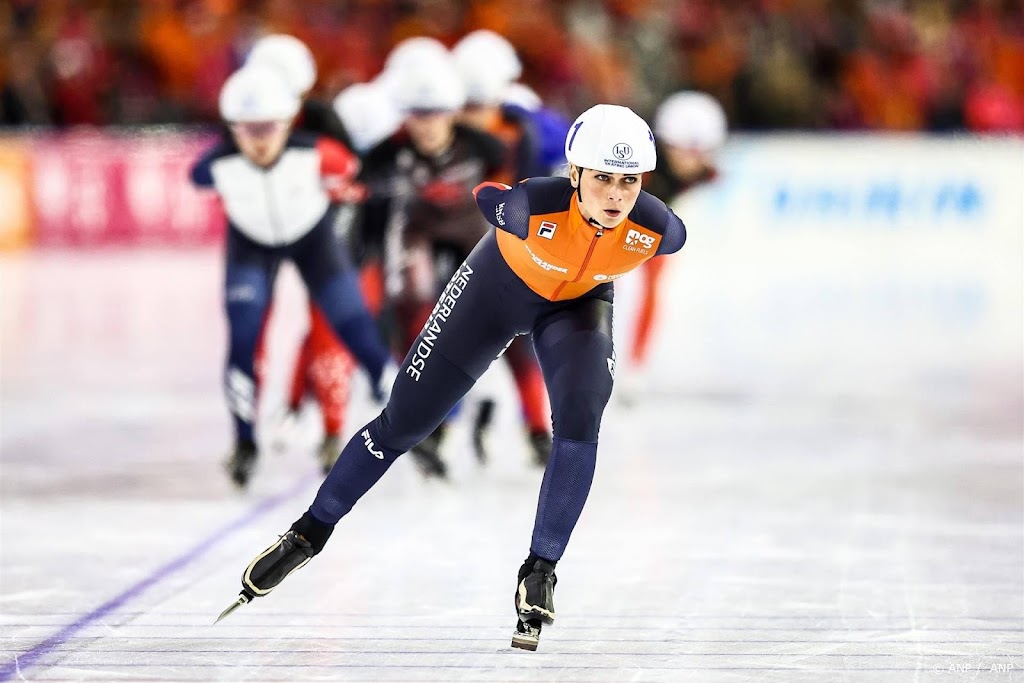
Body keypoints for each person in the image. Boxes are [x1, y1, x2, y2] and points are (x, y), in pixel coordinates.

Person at [216, 104, 687, 651]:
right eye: (602, 178)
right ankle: (309, 532)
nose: (615, 195)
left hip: (575, 309)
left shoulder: (656, 227)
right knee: (404, 423)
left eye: (629, 182)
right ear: (575, 174)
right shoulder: (535, 204)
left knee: (582, 417)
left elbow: (672, 233)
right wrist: (500, 204)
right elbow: (489, 197)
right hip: (491, 295)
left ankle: (540, 570)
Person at [190, 64, 395, 488]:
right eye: (249, 131)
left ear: (287, 124)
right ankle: (245, 442)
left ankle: (401, 412)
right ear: (233, 129)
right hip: (251, 247)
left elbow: (354, 180)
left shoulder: (320, 153)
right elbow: (197, 177)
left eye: (269, 129)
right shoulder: (215, 165)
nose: (260, 141)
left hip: (313, 242)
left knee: (355, 327)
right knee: (244, 336)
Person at [355, 44, 510, 478]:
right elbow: (369, 214)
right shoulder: (386, 153)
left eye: (436, 115)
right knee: (421, 322)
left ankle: (462, 412)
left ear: (452, 112)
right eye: (417, 116)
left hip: (469, 236)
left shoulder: (486, 147)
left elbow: (514, 196)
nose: (426, 127)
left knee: (471, 327)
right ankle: (429, 419)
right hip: (418, 237)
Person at [246, 34, 367, 472]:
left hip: (320, 226)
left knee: (328, 321)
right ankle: (258, 426)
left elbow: (353, 186)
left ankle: (331, 427)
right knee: (254, 317)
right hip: (267, 227)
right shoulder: (249, 117)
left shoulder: (321, 119)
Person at [452, 29, 553, 465]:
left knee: (517, 342)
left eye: (483, 107)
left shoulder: (526, 128)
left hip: (505, 252)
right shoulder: (528, 124)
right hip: (460, 248)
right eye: (468, 108)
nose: (476, 117)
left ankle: (536, 426)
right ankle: (455, 420)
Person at [618, 91, 726, 402]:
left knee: (652, 286)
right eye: (685, 151)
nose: (692, 160)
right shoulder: (640, 166)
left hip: (649, 221)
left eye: (701, 152)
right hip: (614, 219)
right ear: (665, 144)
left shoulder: (706, 171)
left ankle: (635, 365)